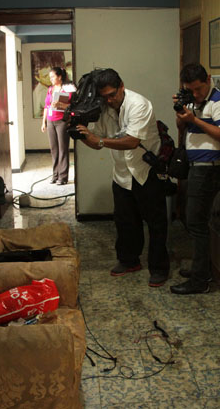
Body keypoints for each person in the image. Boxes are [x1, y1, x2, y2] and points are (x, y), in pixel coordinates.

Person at [75, 68, 170, 287]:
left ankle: (158, 268)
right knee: (125, 221)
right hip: (121, 173)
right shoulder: (105, 108)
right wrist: (79, 134)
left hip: (146, 171)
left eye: (112, 95)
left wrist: (97, 140)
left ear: (122, 86)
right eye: (104, 96)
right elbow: (96, 141)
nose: (109, 100)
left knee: (156, 223)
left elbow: (131, 141)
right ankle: (129, 261)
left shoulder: (139, 105)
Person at [170, 63, 220, 295]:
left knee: (195, 223)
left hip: (209, 169)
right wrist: (183, 111)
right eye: (190, 90)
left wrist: (195, 119)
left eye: (198, 89)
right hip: (196, 166)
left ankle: (199, 280)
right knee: (194, 221)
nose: (195, 94)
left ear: (208, 79)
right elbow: (180, 126)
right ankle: (201, 269)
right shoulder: (194, 100)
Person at [42, 67, 75, 185]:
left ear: (59, 77)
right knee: (54, 149)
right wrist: (44, 122)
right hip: (51, 121)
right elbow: (46, 106)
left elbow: (72, 106)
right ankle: (55, 174)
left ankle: (63, 177)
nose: (50, 79)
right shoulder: (50, 89)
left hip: (62, 120)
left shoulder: (67, 89)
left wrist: (61, 104)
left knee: (62, 149)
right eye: (50, 77)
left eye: (52, 77)